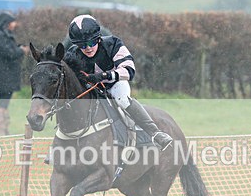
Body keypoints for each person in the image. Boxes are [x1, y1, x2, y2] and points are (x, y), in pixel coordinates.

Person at [64, 14, 173, 150]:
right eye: (82, 45)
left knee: (122, 99)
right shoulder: (72, 54)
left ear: (98, 38)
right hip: (91, 89)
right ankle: (62, 141)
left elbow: (129, 70)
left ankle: (155, 133)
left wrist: (104, 76)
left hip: (116, 85)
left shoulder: (113, 44)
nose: (88, 48)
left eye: (91, 43)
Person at [0, 11, 29, 134]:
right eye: (12, 22)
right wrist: (21, 50)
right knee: (3, 103)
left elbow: (10, 50)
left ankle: (4, 129)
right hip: (3, 75)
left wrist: (19, 48)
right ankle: (2, 129)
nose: (14, 24)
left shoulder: (3, 35)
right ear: (6, 23)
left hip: (6, 75)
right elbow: (9, 53)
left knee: (5, 102)